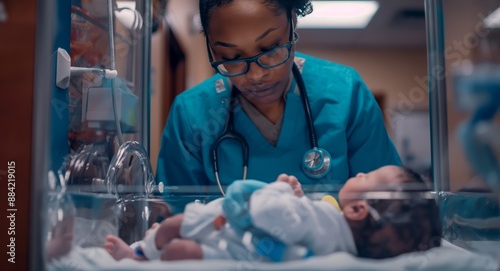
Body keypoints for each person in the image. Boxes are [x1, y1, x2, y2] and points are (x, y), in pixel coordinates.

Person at [156, 0, 401, 191]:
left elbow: (385, 207)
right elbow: (174, 219)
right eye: (232, 59)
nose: (256, 75)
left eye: (270, 49)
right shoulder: (191, 114)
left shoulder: (346, 94)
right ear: (211, 49)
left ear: (293, 23)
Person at [104, 165, 441, 261]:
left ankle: (135, 255)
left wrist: (280, 191)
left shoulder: (324, 219)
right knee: (181, 252)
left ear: (356, 210)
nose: (360, 173)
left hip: (234, 231)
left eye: (367, 177)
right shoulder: (342, 241)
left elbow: (270, 212)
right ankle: (144, 255)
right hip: (240, 249)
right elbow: (295, 229)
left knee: (172, 227)